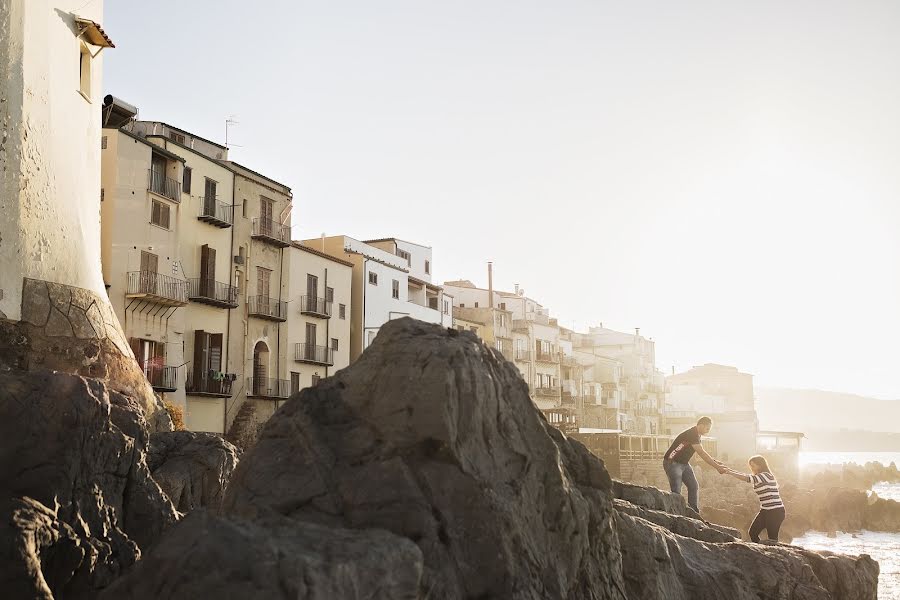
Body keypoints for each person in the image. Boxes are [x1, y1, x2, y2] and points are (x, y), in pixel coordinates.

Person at [662, 416, 727, 514]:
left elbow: (702, 452)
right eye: (707, 428)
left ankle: (693, 512)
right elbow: (701, 453)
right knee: (676, 491)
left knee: (693, 486)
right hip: (672, 462)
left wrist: (716, 462)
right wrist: (717, 467)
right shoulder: (692, 434)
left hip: (683, 463)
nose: (708, 431)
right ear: (701, 425)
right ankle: (675, 515)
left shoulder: (697, 435)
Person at [723, 455, 786, 543]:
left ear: (760, 465)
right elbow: (746, 475)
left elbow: (747, 478)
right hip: (765, 510)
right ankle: (760, 550)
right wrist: (728, 470)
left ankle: (774, 554)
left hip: (775, 511)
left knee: (772, 538)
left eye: (753, 465)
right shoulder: (759, 477)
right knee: (752, 532)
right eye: (750, 466)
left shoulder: (766, 475)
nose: (751, 468)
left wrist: (729, 472)